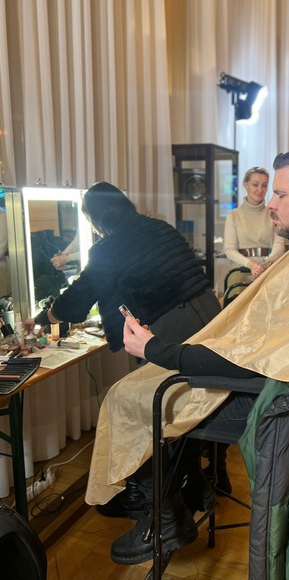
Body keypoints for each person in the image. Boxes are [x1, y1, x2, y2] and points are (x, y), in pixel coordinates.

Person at [85, 146, 289, 571]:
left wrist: (154, 350)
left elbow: (247, 361)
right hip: (281, 383)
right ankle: (193, 491)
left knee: (132, 397)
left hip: (268, 396)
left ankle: (162, 518)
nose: (270, 203)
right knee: (150, 391)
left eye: (280, 194)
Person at [25, 181, 222, 521]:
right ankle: (195, 485)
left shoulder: (108, 248)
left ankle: (160, 508)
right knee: (181, 410)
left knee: (146, 413)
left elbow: (76, 302)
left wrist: (43, 317)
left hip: (175, 331)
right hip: (212, 321)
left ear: (95, 220)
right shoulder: (158, 227)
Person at [224, 166, 286, 279]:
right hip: (240, 270)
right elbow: (230, 250)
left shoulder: (274, 214)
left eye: (264, 185)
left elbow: (279, 245)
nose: (260, 190)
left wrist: (266, 264)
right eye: (255, 184)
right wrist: (251, 265)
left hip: (268, 271)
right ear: (245, 185)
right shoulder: (233, 215)